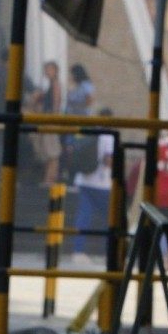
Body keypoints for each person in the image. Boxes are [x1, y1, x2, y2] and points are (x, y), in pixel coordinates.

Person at [71, 108, 114, 264]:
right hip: (102, 183)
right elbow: (108, 160)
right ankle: (109, 251)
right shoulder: (109, 137)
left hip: (83, 180)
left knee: (83, 216)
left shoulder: (88, 133)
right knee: (111, 218)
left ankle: (78, 251)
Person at [62, 64, 95, 181]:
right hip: (71, 121)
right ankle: (70, 173)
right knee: (69, 147)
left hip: (80, 121)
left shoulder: (86, 86)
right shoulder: (76, 86)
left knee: (77, 147)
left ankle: (75, 173)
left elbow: (89, 101)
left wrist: (76, 106)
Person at [32, 60, 62, 186]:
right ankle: (48, 178)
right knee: (47, 151)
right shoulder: (48, 86)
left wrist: (53, 119)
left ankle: (51, 179)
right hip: (46, 119)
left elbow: (56, 104)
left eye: (48, 69)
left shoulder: (55, 85)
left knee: (52, 152)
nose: (46, 72)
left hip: (50, 121)